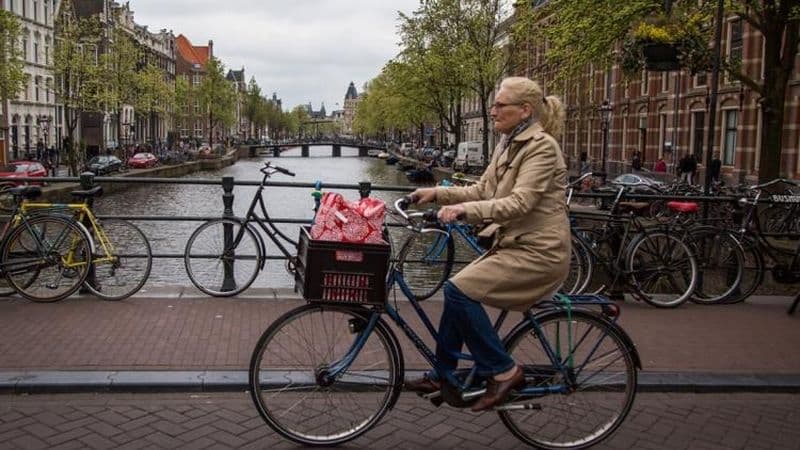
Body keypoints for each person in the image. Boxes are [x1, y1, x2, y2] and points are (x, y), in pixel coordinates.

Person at [405, 77, 571, 412]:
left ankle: (504, 370)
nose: (492, 110)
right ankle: (445, 375)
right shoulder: (508, 144)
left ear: (524, 110)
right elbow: (483, 190)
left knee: (458, 292)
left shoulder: (541, 147)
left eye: (500, 104)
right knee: (455, 288)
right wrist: (437, 193)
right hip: (515, 244)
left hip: (540, 252)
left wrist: (464, 211)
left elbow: (520, 203)